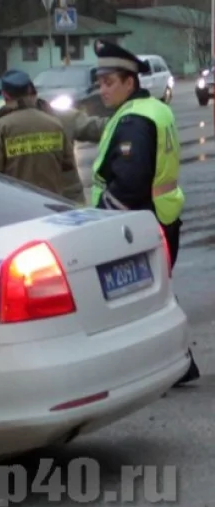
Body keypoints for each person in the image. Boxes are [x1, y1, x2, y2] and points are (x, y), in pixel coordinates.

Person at [88, 39, 198, 386]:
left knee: (141, 302)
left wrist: (100, 219)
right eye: (100, 82)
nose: (102, 90)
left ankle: (171, 365)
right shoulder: (153, 109)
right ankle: (179, 363)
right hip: (161, 216)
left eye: (109, 82)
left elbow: (130, 184)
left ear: (129, 82)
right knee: (154, 297)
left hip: (137, 222)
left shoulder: (134, 120)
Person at [0, 69, 76, 196]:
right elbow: (68, 166)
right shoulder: (54, 124)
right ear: (30, 91)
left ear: (5, 95)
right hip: (52, 201)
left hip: (18, 203)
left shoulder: (0, 128)